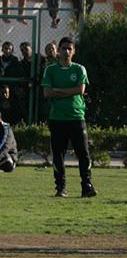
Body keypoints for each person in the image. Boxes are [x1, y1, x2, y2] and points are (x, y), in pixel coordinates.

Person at [41, 37, 97, 198]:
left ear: (74, 51)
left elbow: (80, 90)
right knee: (58, 154)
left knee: (83, 154)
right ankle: (61, 187)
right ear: (58, 50)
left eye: (69, 48)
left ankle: (87, 185)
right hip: (57, 118)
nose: (66, 51)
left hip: (76, 117)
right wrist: (68, 91)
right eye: (64, 48)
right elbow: (47, 93)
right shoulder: (50, 70)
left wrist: (59, 91)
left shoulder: (79, 69)